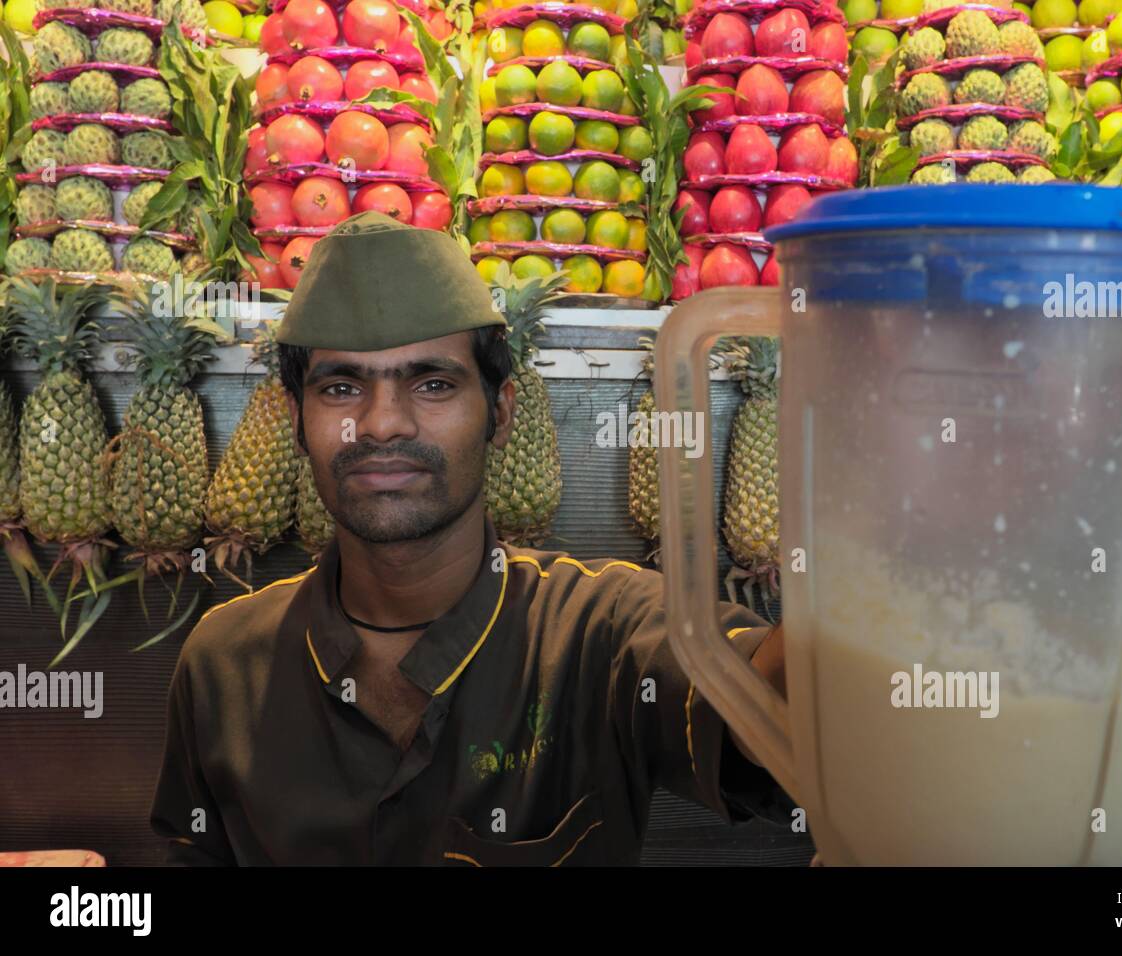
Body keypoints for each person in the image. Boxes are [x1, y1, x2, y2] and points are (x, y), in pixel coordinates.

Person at [150, 212, 793, 865]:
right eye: (342, 387)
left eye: (432, 383)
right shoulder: (221, 664)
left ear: (502, 411)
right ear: (295, 419)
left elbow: (778, 700)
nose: (383, 424)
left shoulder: (603, 632)